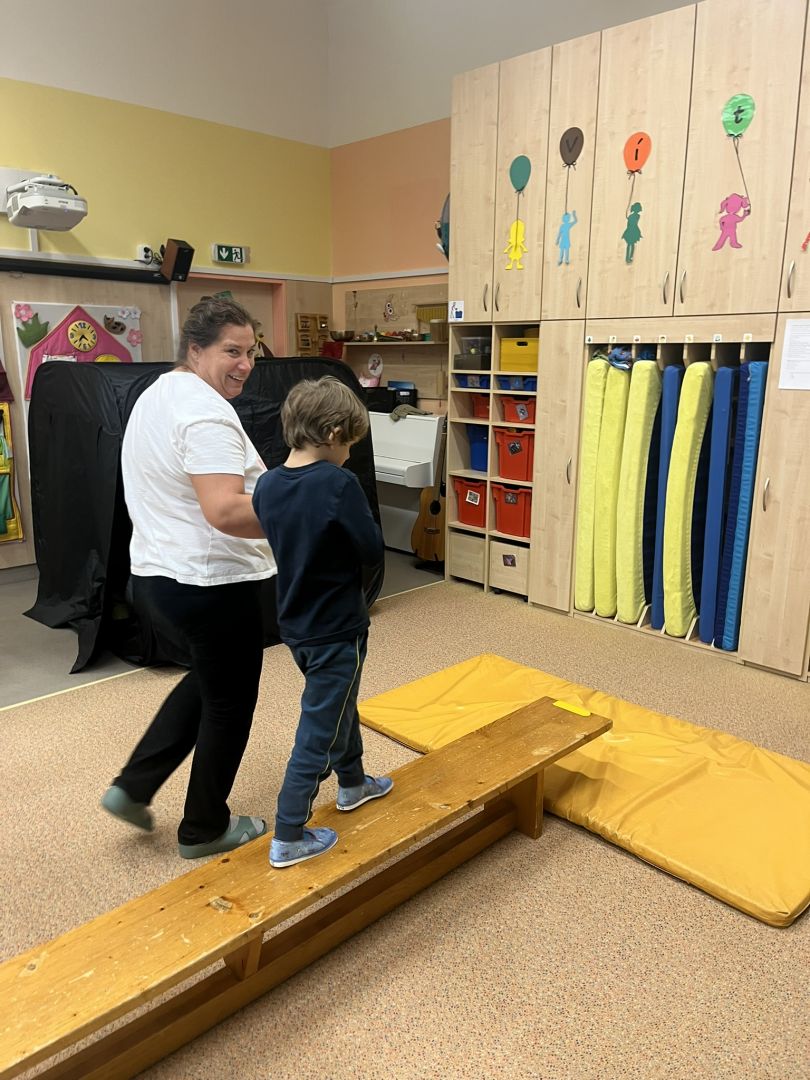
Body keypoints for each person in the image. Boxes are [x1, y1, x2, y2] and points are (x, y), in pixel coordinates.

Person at [101, 296, 276, 859]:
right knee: (230, 701)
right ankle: (204, 828)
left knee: (209, 676)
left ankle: (133, 786)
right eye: (232, 352)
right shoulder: (206, 414)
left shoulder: (159, 393)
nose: (245, 365)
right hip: (212, 583)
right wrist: (302, 518)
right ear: (195, 350)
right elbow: (225, 510)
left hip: (161, 578)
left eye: (251, 352)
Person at [251, 376, 392, 868]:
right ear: (333, 433)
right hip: (337, 627)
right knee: (319, 727)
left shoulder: (267, 484)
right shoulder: (337, 483)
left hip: (297, 626)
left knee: (339, 704)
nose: (350, 455)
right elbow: (371, 549)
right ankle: (289, 833)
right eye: (350, 444)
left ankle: (353, 783)